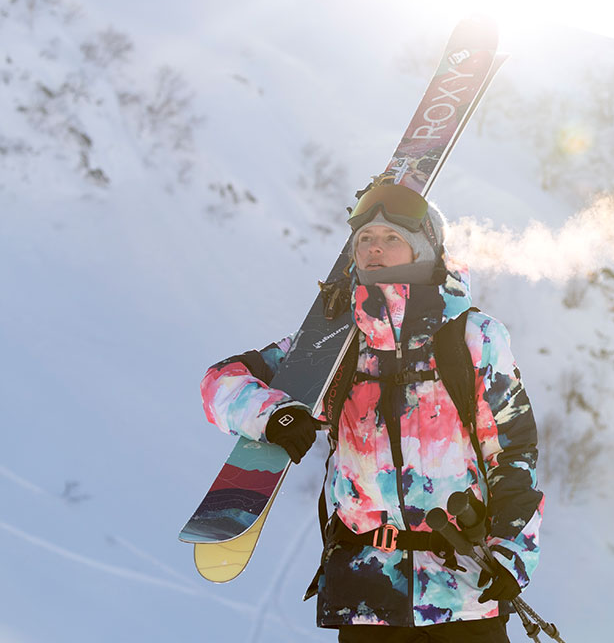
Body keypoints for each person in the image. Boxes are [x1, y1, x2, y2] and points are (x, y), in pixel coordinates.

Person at [200, 179, 544, 642]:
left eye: (390, 238)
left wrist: (511, 552)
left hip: (466, 590)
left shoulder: (475, 338)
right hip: (366, 597)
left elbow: (513, 453)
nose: (373, 249)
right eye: (364, 239)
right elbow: (222, 380)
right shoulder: (334, 344)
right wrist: (275, 414)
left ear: (423, 249)